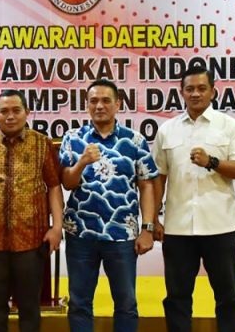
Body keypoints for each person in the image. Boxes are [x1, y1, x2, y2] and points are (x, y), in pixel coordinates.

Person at [152, 66, 235, 332]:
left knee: (227, 297)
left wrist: (212, 162)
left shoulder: (229, 126)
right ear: (181, 92)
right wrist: (152, 220)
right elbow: (159, 177)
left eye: (201, 88)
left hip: (219, 226)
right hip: (177, 228)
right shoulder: (167, 130)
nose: (195, 94)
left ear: (213, 92)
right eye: (190, 89)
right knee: (177, 298)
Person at [60, 79, 158, 332]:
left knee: (126, 303)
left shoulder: (134, 140)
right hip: (81, 233)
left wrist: (147, 228)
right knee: (79, 303)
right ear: (87, 105)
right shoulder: (73, 138)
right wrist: (82, 162)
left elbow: (147, 185)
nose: (99, 106)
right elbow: (67, 182)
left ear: (118, 104)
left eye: (105, 100)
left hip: (121, 234)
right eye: (93, 101)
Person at [0, 90, 63, 332]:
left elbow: (54, 185)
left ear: (27, 112)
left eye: (16, 110)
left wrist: (57, 227)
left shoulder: (42, 144)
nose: (10, 116)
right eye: (4, 111)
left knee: (29, 307)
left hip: (31, 239)